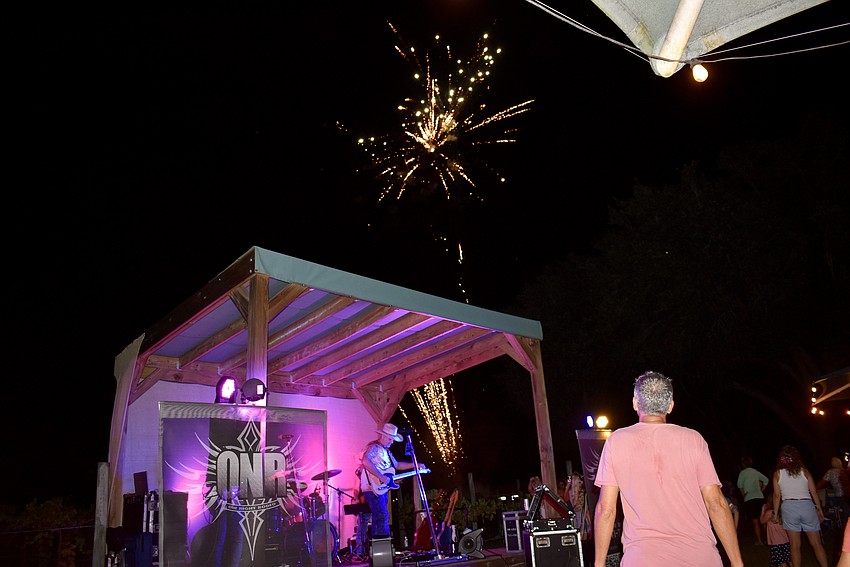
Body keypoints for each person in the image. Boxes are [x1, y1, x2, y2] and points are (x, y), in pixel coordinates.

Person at [593, 371, 744, 567]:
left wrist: (598, 563)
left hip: (643, 559)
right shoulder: (693, 439)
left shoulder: (616, 442)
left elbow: (606, 509)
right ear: (671, 405)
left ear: (635, 403)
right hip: (699, 558)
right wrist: (737, 562)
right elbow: (716, 502)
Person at [358, 422, 426, 540]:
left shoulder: (387, 451)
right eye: (390, 439)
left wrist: (415, 465)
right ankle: (381, 545)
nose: (392, 441)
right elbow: (365, 461)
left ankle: (382, 544)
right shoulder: (374, 447)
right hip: (371, 488)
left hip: (380, 489)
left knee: (382, 515)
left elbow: (397, 465)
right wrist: (380, 476)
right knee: (382, 515)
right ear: (383, 436)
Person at [771, 445, 828, 567]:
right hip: (806, 505)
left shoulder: (777, 474)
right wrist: (819, 509)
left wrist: (775, 514)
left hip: (789, 507)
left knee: (795, 545)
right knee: (816, 543)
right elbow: (813, 492)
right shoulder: (804, 471)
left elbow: (776, 495)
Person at [737, 456, 769, 545]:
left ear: (743, 464)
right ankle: (768, 539)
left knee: (755, 521)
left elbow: (739, 485)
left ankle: (759, 540)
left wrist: (744, 495)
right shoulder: (755, 472)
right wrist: (761, 490)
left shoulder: (743, 473)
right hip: (759, 497)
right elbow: (766, 480)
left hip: (750, 498)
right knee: (763, 519)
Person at [815, 456, 850, 526]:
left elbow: (822, 483)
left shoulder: (831, 472)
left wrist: (814, 488)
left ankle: (836, 519)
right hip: (846, 495)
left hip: (840, 497)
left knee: (829, 497)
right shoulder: (844, 471)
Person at [760, 491, 790, 567]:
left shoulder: (770, 512)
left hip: (776, 541)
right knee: (789, 559)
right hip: (786, 540)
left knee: (781, 561)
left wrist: (763, 510)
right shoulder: (783, 512)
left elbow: (762, 521)